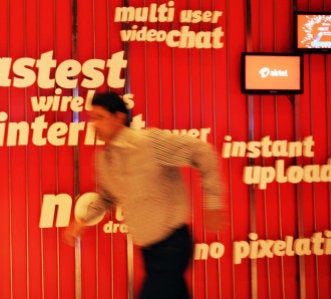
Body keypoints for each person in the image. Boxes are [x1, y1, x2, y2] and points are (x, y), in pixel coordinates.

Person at [64, 91, 225, 299]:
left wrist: (212, 203)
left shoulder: (150, 143)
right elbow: (109, 196)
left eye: (100, 117)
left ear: (119, 118)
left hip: (172, 245)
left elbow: (202, 152)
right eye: (92, 119)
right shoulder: (104, 159)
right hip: (149, 250)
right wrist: (82, 221)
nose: (94, 124)